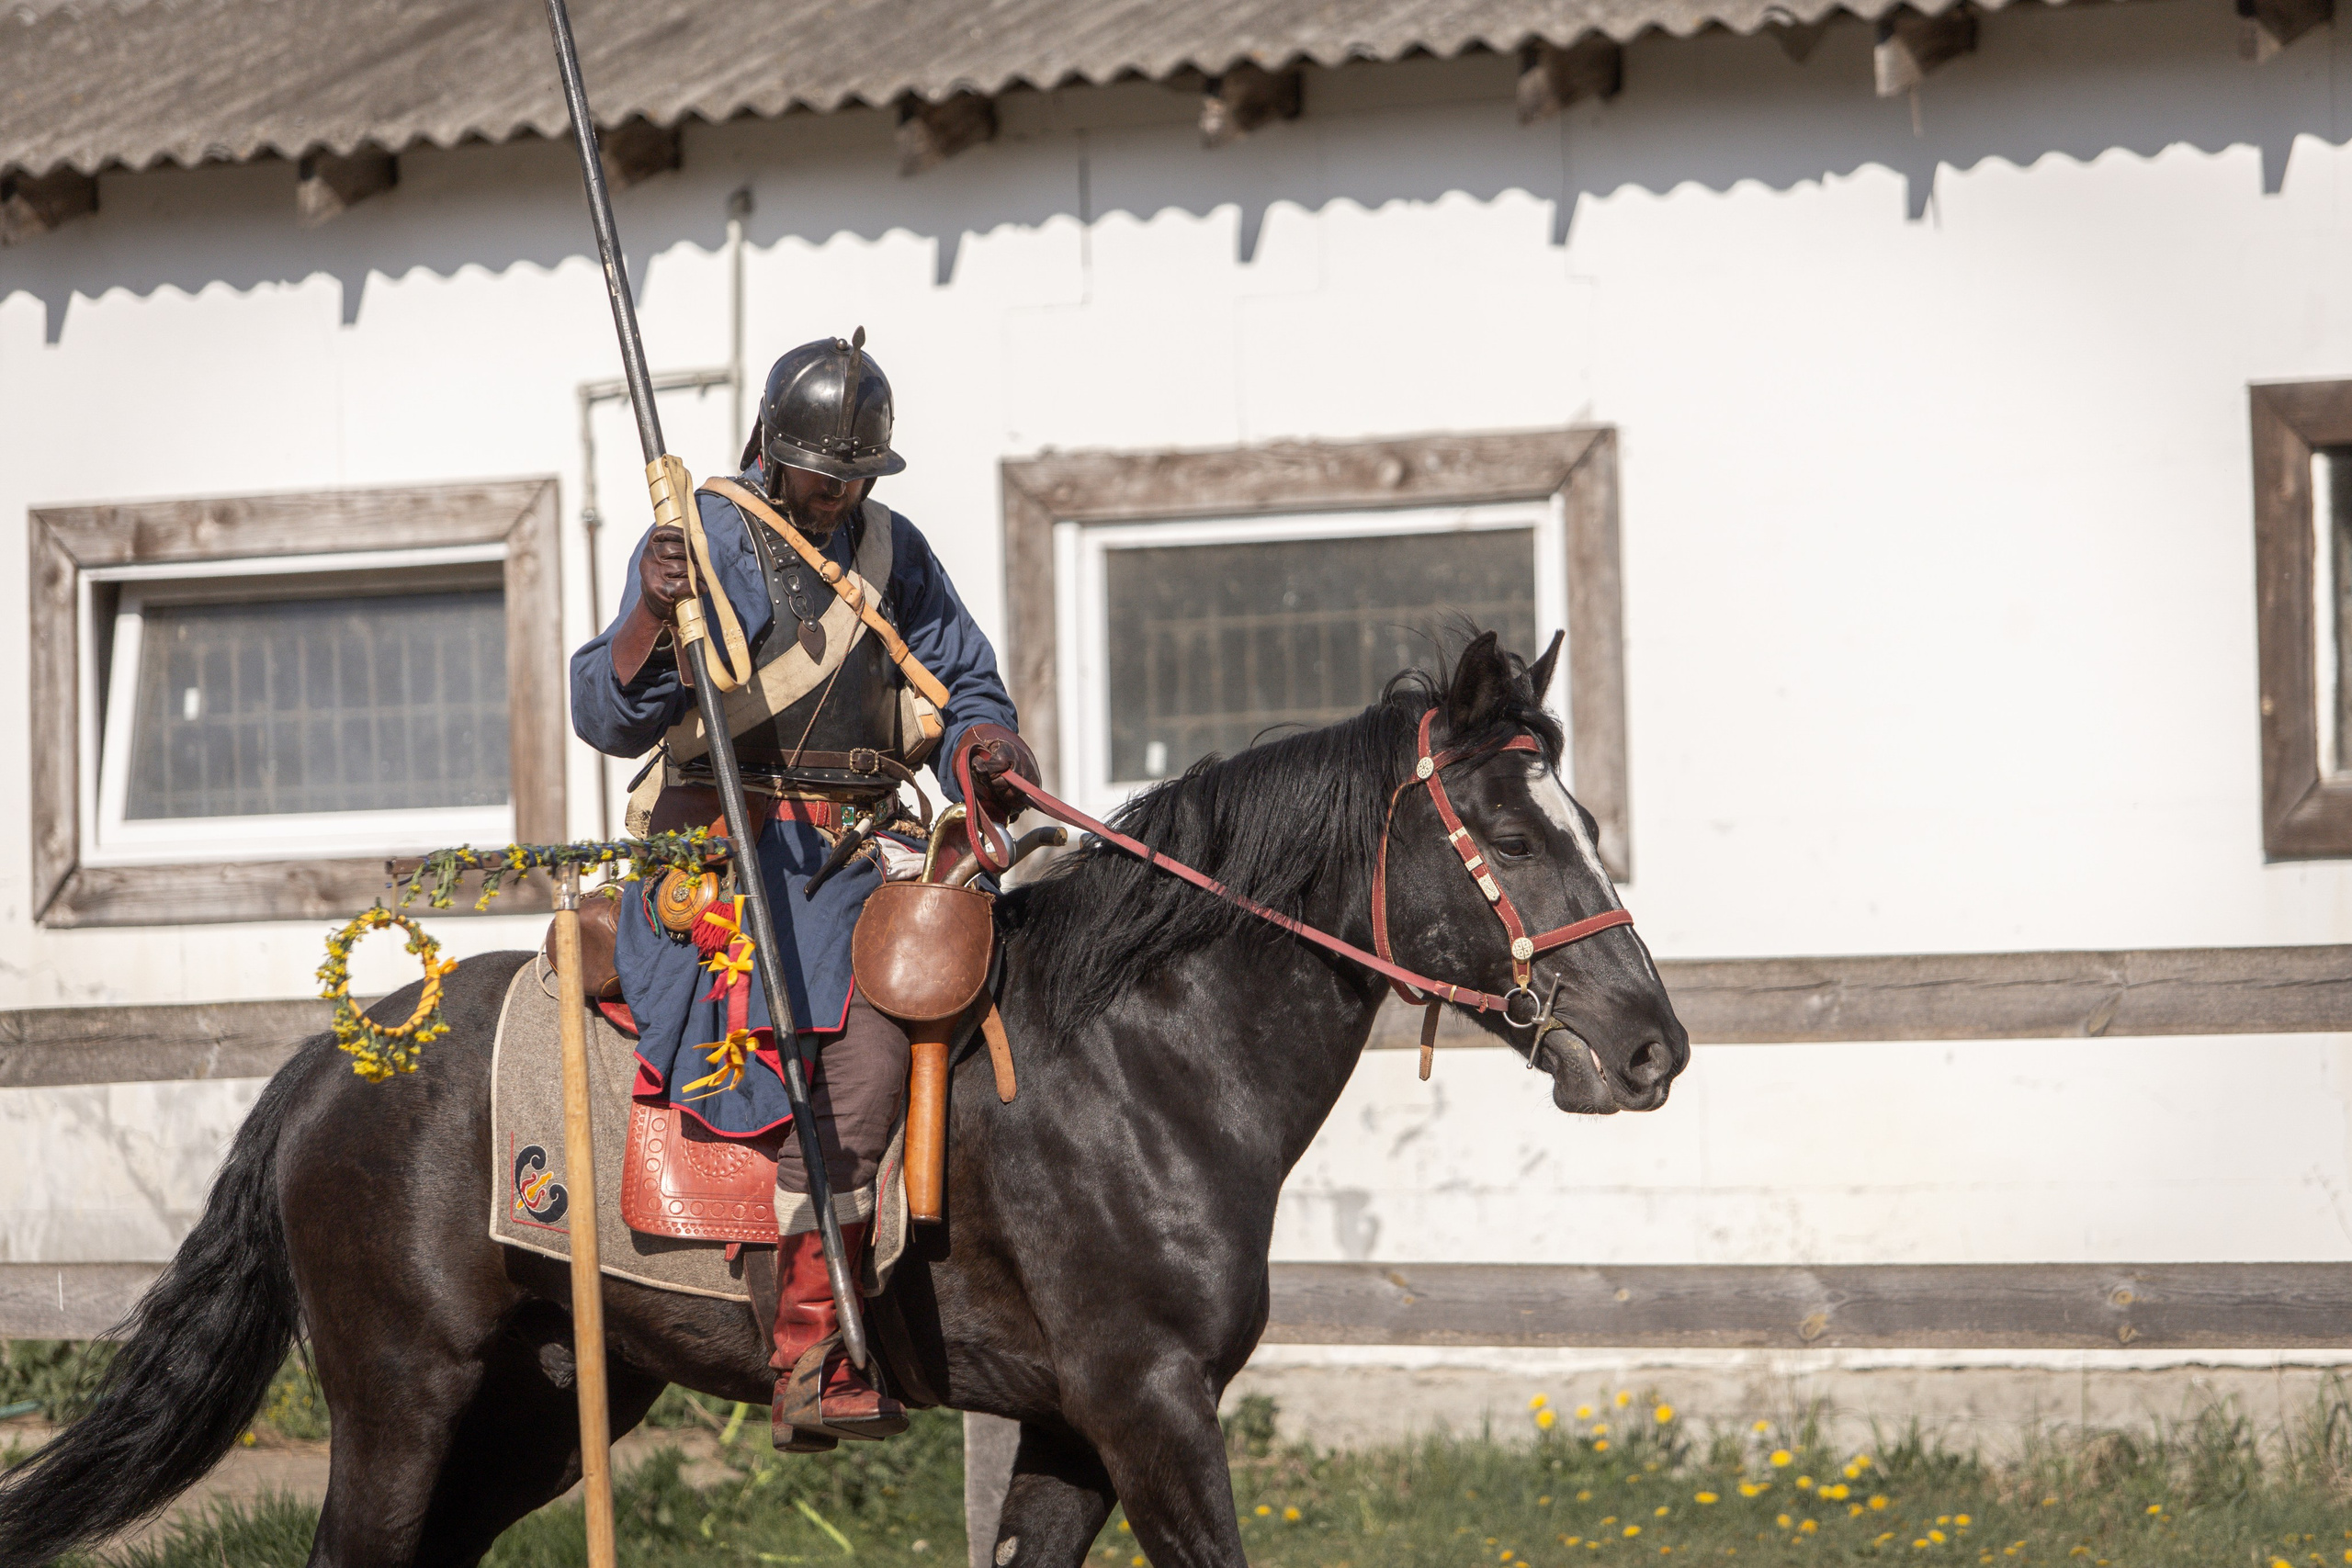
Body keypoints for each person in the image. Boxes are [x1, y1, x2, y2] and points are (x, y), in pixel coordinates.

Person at [570, 331, 1036, 1450]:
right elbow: (605, 714)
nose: (838, 495)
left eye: (855, 477)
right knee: (856, 1070)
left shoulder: (892, 548)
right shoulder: (702, 538)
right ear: (773, 452)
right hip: (731, 858)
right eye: (823, 474)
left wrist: (982, 746)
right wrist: (650, 611)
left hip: (865, 853)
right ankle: (810, 1356)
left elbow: (963, 682)